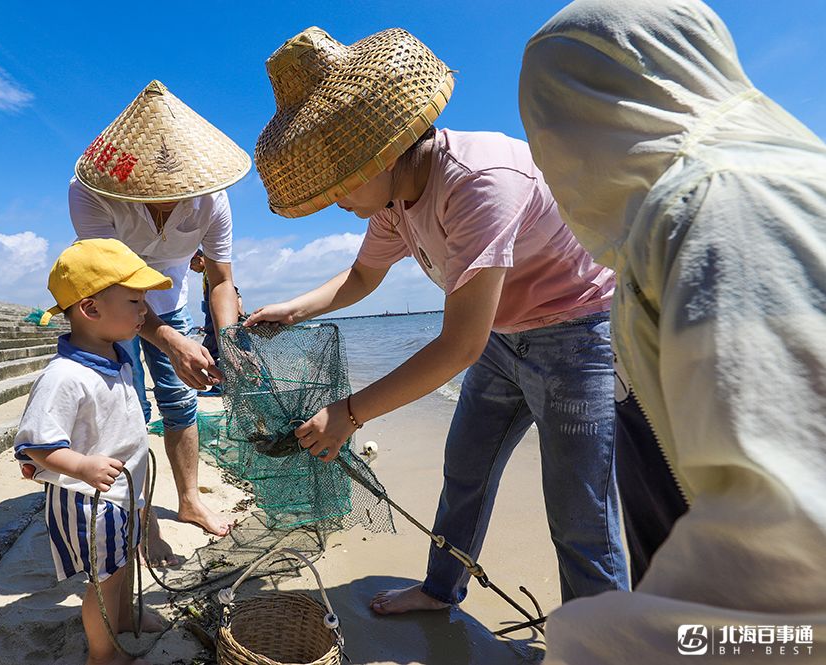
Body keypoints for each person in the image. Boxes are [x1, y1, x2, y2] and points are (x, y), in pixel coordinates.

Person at [247, 26, 629, 615]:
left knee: (581, 514)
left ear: (380, 152)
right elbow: (362, 278)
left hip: (577, 336)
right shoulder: (393, 199)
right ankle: (439, 589)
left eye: (340, 183)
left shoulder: (480, 183)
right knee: (464, 475)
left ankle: (605, 644)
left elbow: (456, 347)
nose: (336, 200)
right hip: (503, 339)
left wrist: (348, 414)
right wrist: (292, 308)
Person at [518, 0, 826, 661]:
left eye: (553, 123)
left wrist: (593, 645)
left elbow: (791, 566)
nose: (550, 164)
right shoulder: (679, 222)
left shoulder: (726, 206)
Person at [69, 80, 249, 537]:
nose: (166, 198)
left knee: (181, 401)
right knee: (125, 408)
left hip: (169, 301)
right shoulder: (91, 190)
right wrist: (171, 342)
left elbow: (221, 279)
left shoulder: (211, 199)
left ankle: (189, 500)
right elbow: (107, 282)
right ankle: (140, 517)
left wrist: (226, 342)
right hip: (106, 305)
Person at [17, 239, 172, 665]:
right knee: (103, 579)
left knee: (120, 568)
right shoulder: (64, 376)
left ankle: (121, 621)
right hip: (88, 499)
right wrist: (82, 465)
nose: (145, 310)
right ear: (91, 309)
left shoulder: (119, 357)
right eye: (135, 301)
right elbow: (37, 445)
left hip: (123, 493)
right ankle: (102, 655)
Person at [189, 248, 244, 395]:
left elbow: (233, 292)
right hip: (210, 318)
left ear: (200, 260)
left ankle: (218, 386)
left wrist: (238, 309)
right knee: (213, 348)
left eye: (191, 264)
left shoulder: (212, 274)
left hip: (216, 320)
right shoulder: (207, 276)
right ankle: (221, 384)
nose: (190, 268)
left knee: (214, 350)